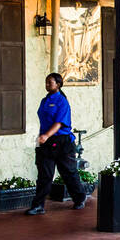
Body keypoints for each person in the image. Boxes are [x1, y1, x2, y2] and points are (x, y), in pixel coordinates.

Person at [26, 72, 89, 215]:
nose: (47, 85)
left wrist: (46, 135)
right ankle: (38, 206)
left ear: (58, 84)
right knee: (44, 175)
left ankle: (79, 198)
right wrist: (42, 136)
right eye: (46, 82)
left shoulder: (62, 101)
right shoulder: (44, 100)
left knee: (68, 172)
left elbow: (59, 123)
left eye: (50, 82)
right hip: (46, 142)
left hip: (62, 142)